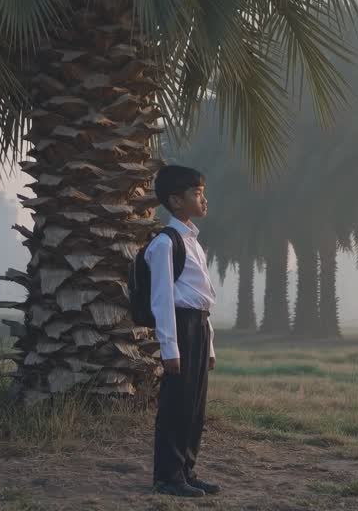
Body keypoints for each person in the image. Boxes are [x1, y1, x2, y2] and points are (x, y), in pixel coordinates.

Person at [147, 164, 220, 498]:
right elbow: (163, 299)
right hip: (180, 328)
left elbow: (203, 297)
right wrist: (169, 349)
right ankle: (167, 475)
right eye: (197, 193)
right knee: (176, 406)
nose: (203, 199)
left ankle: (187, 470)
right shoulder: (166, 243)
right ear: (176, 201)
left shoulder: (194, 242)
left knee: (194, 408)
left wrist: (211, 346)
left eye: (202, 192)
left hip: (198, 328)